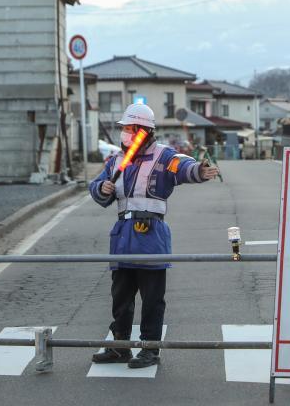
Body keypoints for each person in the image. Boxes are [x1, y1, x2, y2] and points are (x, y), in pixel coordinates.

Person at [88, 103, 219, 368]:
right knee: (121, 297)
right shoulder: (116, 161)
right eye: (124, 129)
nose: (126, 134)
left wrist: (200, 172)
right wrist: (102, 186)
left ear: (145, 131)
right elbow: (97, 190)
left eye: (131, 129)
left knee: (152, 299)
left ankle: (150, 349)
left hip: (151, 236)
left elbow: (183, 168)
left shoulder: (163, 156)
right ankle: (120, 346)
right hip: (123, 237)